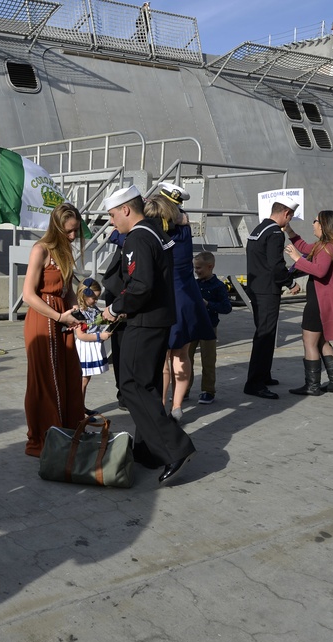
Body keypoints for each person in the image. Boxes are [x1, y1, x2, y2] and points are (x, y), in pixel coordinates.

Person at [101, 185, 195, 486]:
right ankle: (148, 450)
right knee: (149, 385)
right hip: (159, 319)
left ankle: (174, 448)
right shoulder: (156, 233)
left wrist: (115, 309)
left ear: (126, 210)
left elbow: (140, 285)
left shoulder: (138, 237)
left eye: (113, 215)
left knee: (131, 385)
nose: (112, 221)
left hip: (143, 322)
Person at [145, 184, 215, 423]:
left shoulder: (157, 232)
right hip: (187, 298)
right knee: (181, 354)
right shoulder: (184, 229)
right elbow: (180, 218)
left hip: (165, 299)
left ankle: (162, 406)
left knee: (163, 357)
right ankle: (177, 407)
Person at [21, 203, 86, 457]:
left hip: (62, 317)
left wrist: (76, 312)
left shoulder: (65, 250)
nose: (72, 236)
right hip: (43, 318)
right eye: (69, 231)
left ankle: (67, 431)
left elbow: (67, 290)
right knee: (46, 379)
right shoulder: (41, 250)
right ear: (57, 227)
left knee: (68, 373)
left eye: (75, 231)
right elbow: (28, 295)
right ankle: (43, 437)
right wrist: (59, 316)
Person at [283, 210, 333, 396]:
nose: (312, 224)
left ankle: (312, 385)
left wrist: (296, 259)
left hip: (319, 303)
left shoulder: (327, 248)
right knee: (322, 341)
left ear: (323, 225)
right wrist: (289, 231)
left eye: (315, 221)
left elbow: (319, 271)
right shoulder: (327, 245)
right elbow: (305, 247)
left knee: (309, 342)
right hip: (325, 302)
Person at [243, 196, 301, 400]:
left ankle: (263, 374)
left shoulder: (260, 228)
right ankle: (255, 383)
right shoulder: (276, 233)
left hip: (256, 287)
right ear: (286, 213)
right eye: (290, 217)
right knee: (265, 336)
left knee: (265, 332)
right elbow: (277, 265)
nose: (289, 221)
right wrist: (290, 283)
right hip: (267, 290)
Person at [189, 251, 233, 406]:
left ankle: (208, 391)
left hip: (208, 327)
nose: (196, 271)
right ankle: (184, 389)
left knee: (208, 360)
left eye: (199, 268)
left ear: (210, 267)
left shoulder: (218, 286)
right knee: (186, 360)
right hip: (192, 327)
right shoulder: (194, 284)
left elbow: (227, 308)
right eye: (195, 268)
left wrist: (208, 304)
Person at [72, 279, 111, 413]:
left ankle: (80, 406)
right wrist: (100, 336)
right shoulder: (79, 311)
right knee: (82, 380)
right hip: (84, 347)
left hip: (91, 345)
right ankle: (77, 409)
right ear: (84, 295)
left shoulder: (92, 308)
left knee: (85, 380)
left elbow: (97, 320)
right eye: (93, 298)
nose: (95, 300)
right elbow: (81, 335)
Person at [101, 230, 127, 409]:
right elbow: (115, 235)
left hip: (128, 293)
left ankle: (126, 392)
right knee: (119, 348)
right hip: (119, 292)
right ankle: (124, 393)